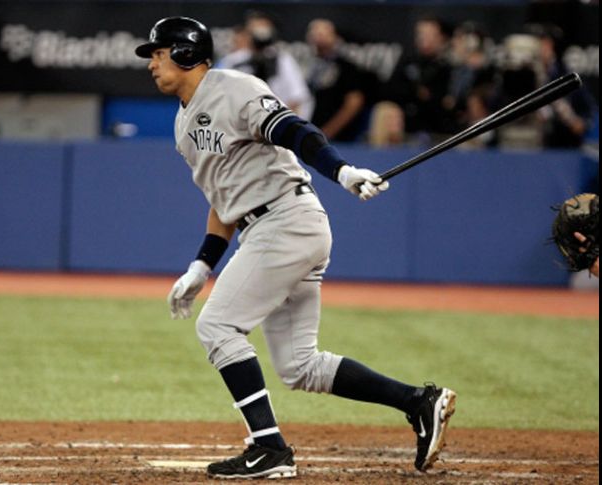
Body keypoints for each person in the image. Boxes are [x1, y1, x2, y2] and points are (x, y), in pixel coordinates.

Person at [135, 16, 456, 480]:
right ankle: (419, 402)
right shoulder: (183, 124)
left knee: (218, 326)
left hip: (286, 221)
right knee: (299, 366)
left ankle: (268, 447)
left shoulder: (235, 87)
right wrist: (201, 266)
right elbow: (223, 203)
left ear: (186, 53)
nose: (152, 64)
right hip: (270, 227)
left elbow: (295, 131)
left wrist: (342, 172)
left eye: (159, 53)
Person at [216, 11, 311, 118]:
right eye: (254, 30)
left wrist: (286, 128)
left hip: (275, 124)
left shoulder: (283, 60)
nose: (259, 34)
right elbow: (220, 97)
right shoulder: (233, 61)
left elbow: (296, 99)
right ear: (246, 32)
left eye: (263, 30)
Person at [305, 19, 375, 142]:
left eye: (324, 33)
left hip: (339, 140)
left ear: (336, 38)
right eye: (314, 33)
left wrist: (326, 133)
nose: (318, 37)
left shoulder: (347, 67)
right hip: (306, 133)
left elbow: (354, 103)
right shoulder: (304, 67)